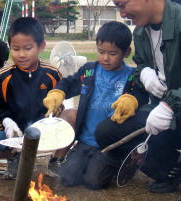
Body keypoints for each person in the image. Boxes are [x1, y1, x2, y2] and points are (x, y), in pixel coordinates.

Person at [96, 0, 181, 201]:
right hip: (161, 111)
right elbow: (141, 65)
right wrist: (143, 74)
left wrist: (170, 105)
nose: (122, 13)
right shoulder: (140, 32)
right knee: (106, 131)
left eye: (123, 5)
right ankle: (172, 168)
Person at [43, 21, 148, 189]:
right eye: (101, 52)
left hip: (110, 143)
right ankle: (80, 159)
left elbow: (141, 94)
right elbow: (69, 83)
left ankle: (116, 163)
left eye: (112, 53)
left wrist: (133, 100)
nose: (105, 58)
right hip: (85, 140)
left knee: (94, 182)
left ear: (126, 52)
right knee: (68, 178)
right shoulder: (89, 71)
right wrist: (57, 93)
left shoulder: (131, 77)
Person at [0, 17, 62, 180]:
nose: (21, 54)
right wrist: (7, 123)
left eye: (28, 48)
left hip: (43, 133)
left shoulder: (52, 74)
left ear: (41, 47)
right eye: (16, 49)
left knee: (71, 117)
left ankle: (57, 160)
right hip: (13, 136)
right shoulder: (3, 76)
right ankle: (14, 158)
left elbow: (61, 104)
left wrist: (56, 115)